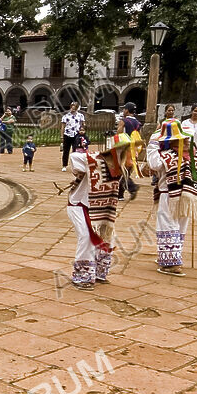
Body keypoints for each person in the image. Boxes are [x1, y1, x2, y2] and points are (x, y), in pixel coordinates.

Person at [67, 133, 131, 288]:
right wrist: (81, 170)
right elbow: (74, 157)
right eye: (120, 148)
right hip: (79, 205)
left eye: (126, 149)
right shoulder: (94, 159)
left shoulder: (120, 169)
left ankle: (97, 272)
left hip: (100, 209)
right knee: (87, 237)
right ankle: (82, 275)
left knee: (107, 239)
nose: (123, 152)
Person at [146, 119, 197, 276]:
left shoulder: (166, 156)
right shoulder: (195, 157)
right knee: (180, 226)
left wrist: (153, 144)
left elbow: (153, 164)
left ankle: (172, 264)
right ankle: (172, 257)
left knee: (168, 225)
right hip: (188, 195)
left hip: (169, 195)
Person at [117, 102, 141, 200]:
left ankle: (132, 187)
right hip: (134, 149)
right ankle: (120, 195)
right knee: (126, 171)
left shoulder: (124, 121)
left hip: (125, 148)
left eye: (124, 109)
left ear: (127, 110)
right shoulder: (138, 123)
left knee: (121, 171)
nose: (123, 111)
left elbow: (119, 134)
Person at [60, 101, 85, 171]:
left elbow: (83, 124)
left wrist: (83, 130)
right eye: (72, 107)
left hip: (76, 135)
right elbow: (63, 127)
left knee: (76, 151)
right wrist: (61, 136)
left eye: (74, 107)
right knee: (66, 151)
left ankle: (75, 166)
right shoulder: (66, 116)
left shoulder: (80, 116)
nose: (73, 109)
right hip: (67, 134)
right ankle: (64, 165)